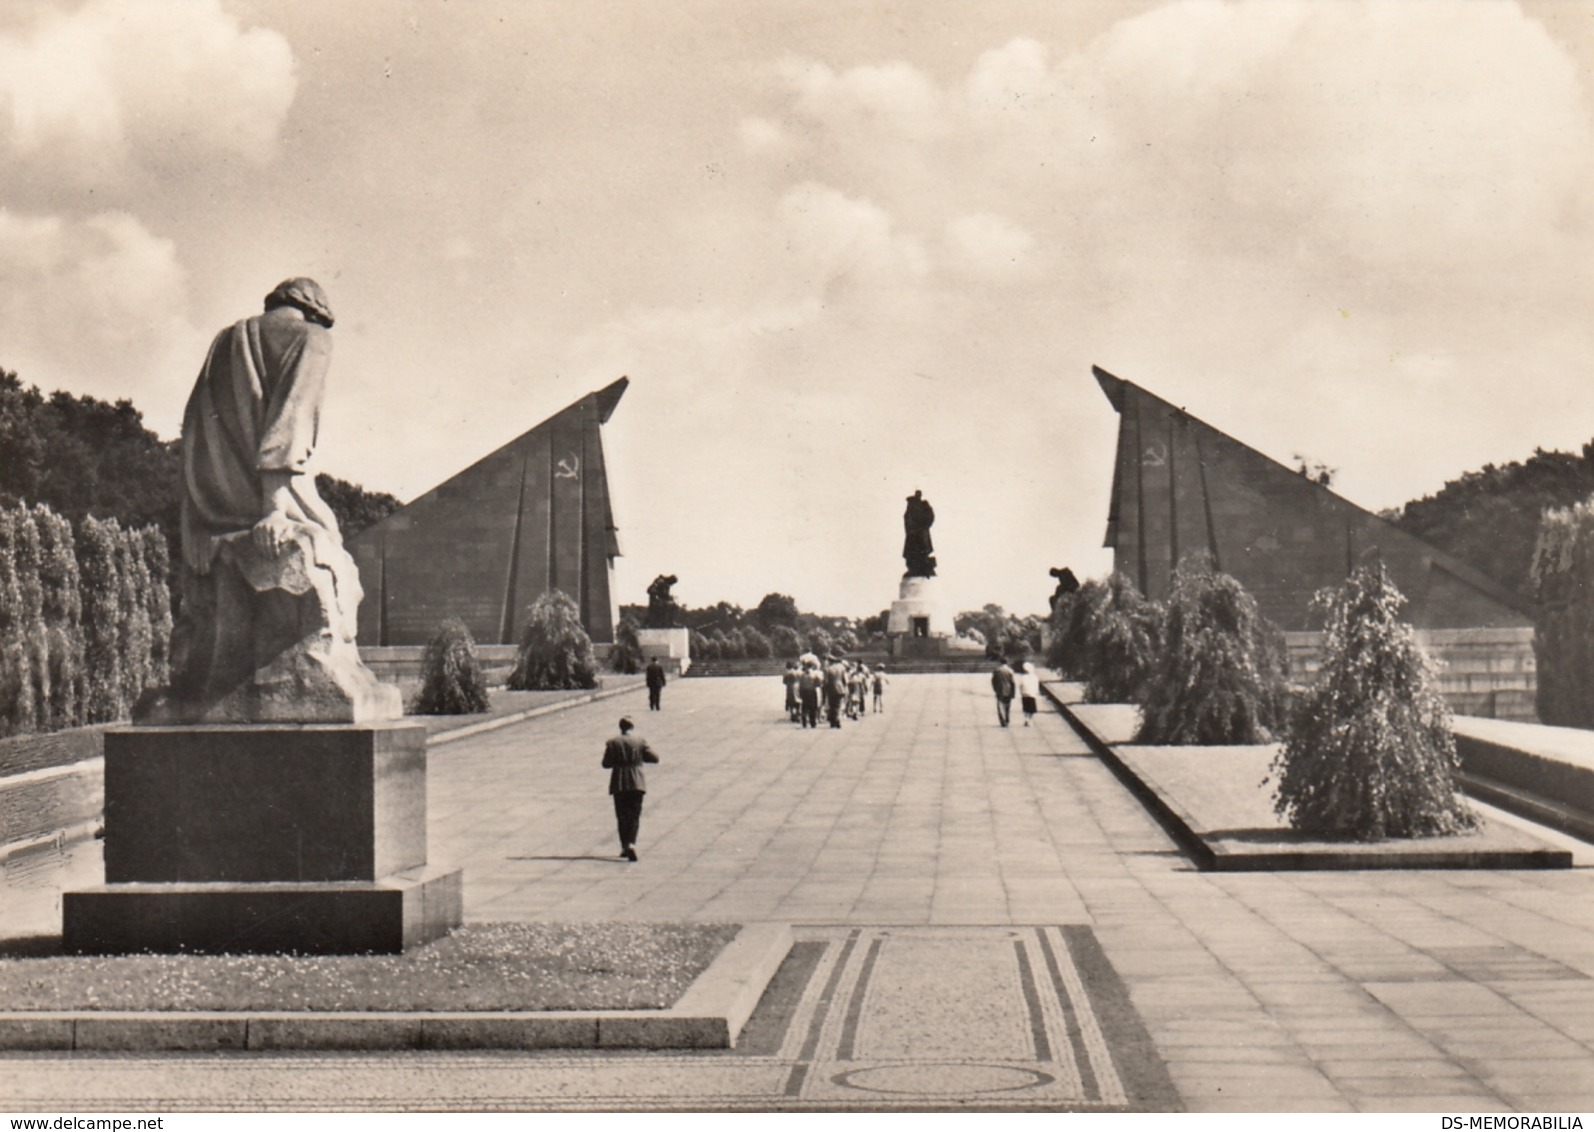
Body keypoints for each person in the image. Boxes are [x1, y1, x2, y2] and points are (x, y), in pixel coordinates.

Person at [602, 716, 659, 861]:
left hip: (619, 782)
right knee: (634, 815)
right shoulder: (640, 741)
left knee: (621, 815)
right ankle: (632, 843)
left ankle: (624, 846)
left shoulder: (612, 742)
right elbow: (654, 758)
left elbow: (606, 763)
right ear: (632, 727)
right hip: (637, 782)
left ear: (620, 727)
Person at [823, 655, 849, 729]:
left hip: (831, 688)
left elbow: (826, 681)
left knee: (832, 705)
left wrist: (826, 689)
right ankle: (837, 719)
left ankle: (833, 721)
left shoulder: (827, 669)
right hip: (840, 688)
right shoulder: (842, 668)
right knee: (838, 705)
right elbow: (845, 680)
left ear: (830, 661)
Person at [797, 659, 823, 728]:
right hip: (812, 691)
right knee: (813, 707)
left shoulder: (802, 675)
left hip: (804, 692)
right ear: (812, 666)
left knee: (804, 707)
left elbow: (800, 685)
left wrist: (800, 693)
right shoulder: (815, 674)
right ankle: (813, 722)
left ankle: (804, 721)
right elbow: (819, 683)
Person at [991, 659, 1016, 727]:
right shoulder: (1010, 671)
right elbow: (1012, 682)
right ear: (1007, 662)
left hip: (1000, 689)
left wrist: (995, 689)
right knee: (1007, 705)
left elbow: (993, 681)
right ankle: (1007, 718)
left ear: (1000, 662)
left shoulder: (997, 670)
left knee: (1000, 705)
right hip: (1008, 689)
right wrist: (1013, 692)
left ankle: (1002, 720)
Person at [1016, 660, 1040, 726]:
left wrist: (1021, 692)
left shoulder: (1023, 677)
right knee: (1032, 709)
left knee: (1026, 708)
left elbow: (1020, 685)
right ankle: (1029, 719)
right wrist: (1036, 692)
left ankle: (1026, 718)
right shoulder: (1035, 677)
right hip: (1032, 694)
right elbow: (1037, 685)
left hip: (1024, 694)